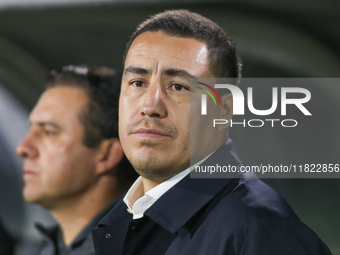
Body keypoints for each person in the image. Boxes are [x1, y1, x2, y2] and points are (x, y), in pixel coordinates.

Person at [92, 10, 332, 255]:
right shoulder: (125, 219)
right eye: (138, 83)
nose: (150, 107)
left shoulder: (261, 231)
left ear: (225, 110)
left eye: (178, 87)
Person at [16, 65, 138, 255]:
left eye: (48, 132)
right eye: (31, 129)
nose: (22, 148)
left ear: (106, 155)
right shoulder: (52, 247)